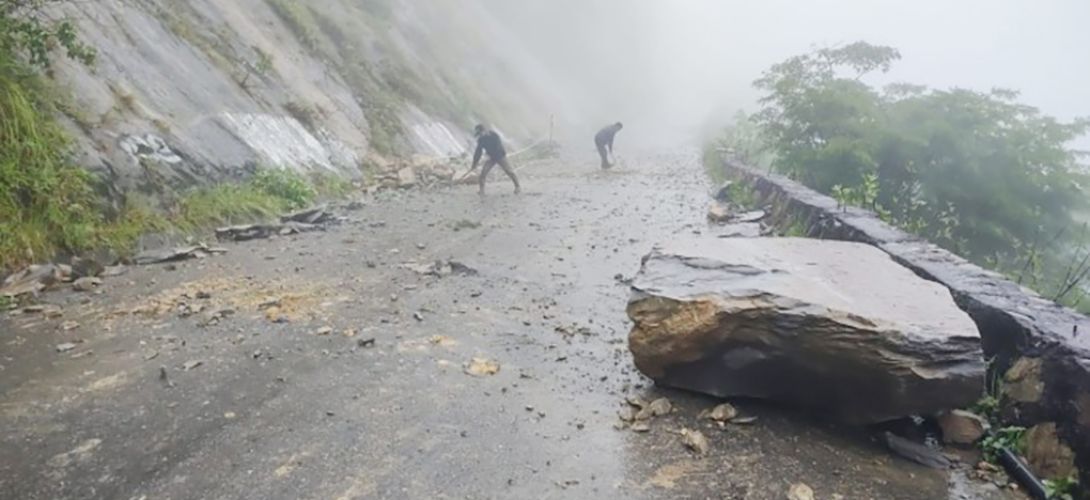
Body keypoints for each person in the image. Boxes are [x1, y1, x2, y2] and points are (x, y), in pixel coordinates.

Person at [471, 124, 521, 195]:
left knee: (509, 171)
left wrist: (490, 155)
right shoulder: (481, 140)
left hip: (500, 156)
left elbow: (498, 147)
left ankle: (517, 186)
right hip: (491, 158)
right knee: (483, 173)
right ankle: (481, 190)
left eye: (480, 133)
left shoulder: (494, 135)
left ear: (484, 131)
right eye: (479, 134)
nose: (480, 135)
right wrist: (474, 164)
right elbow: (478, 152)